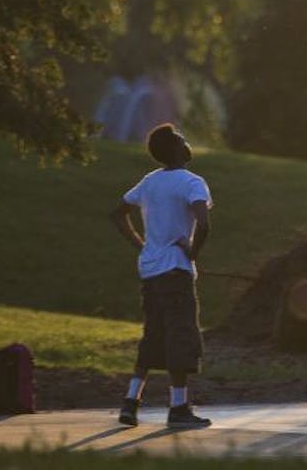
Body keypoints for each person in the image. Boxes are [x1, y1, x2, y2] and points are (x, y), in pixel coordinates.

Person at [108, 123, 213, 429]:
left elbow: (117, 213)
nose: (186, 142)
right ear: (177, 149)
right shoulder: (193, 182)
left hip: (150, 270)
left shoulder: (149, 182)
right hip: (175, 270)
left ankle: (131, 402)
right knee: (180, 336)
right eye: (182, 138)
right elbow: (204, 224)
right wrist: (192, 251)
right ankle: (179, 408)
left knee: (153, 335)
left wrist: (142, 246)